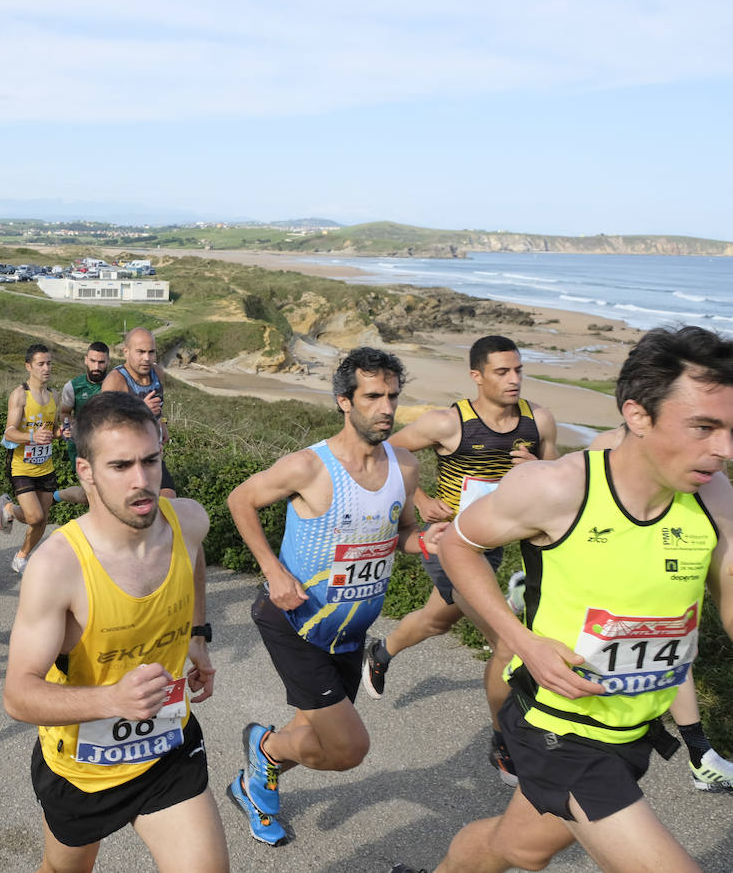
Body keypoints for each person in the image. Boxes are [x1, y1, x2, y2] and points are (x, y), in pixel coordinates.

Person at [399, 325, 733, 873]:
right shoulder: (557, 489)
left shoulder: (714, 497)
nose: (724, 450)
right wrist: (520, 640)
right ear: (638, 415)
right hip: (558, 727)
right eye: (704, 427)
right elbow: (458, 545)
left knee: (516, 847)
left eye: (729, 428)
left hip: (633, 731)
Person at [3, 391, 227, 873]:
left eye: (151, 460)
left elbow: (196, 564)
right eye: (121, 466)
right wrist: (113, 701)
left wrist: (198, 636)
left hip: (166, 748)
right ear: (86, 472)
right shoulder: (58, 566)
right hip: (82, 770)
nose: (142, 481)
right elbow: (18, 695)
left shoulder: (188, 521)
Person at [226, 347, 426, 845]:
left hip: (350, 633)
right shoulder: (309, 467)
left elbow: (402, 532)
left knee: (314, 736)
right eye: (373, 396)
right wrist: (272, 569)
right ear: (344, 401)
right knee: (347, 749)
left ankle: (260, 770)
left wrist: (428, 540)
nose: (386, 408)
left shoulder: (405, 465)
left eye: (393, 397)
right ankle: (265, 749)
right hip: (295, 622)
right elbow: (240, 498)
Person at [363, 335, 558, 785]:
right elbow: (386, 451)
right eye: (502, 372)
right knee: (508, 643)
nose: (514, 380)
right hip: (451, 543)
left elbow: (557, 479)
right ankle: (504, 742)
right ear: (477, 376)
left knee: (437, 620)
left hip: (499, 542)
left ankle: (381, 651)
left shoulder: (538, 420)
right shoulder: (448, 424)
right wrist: (422, 496)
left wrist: (536, 468)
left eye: (518, 370)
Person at [585, 426, 733, 792]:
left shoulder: (711, 471)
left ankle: (700, 755)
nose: (724, 447)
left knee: (678, 649)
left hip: (673, 567)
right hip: (609, 584)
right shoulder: (603, 447)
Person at [0, 344, 61, 574]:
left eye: (49, 363)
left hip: (46, 466)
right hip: (22, 467)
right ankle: (10, 509)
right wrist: (32, 435)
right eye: (41, 364)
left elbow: (54, 430)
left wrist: (61, 432)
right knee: (34, 516)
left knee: (42, 520)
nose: (46, 368)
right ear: (28, 366)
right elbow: (9, 432)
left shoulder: (54, 395)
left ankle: (21, 557)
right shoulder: (20, 395)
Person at [101, 328, 177, 496]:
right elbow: (101, 424)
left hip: (150, 454)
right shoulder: (115, 381)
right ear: (126, 352)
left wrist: (162, 423)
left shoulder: (157, 373)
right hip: (123, 461)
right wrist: (140, 410)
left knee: (168, 499)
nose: (147, 358)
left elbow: (157, 406)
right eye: (141, 352)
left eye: (151, 352)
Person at [52, 341, 113, 506]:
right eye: (93, 361)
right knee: (89, 496)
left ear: (108, 362)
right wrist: (72, 425)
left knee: (105, 493)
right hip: (82, 446)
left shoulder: (116, 384)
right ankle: (56, 496)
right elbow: (64, 413)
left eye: (101, 362)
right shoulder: (73, 386)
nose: (97, 366)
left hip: (110, 446)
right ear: (86, 360)